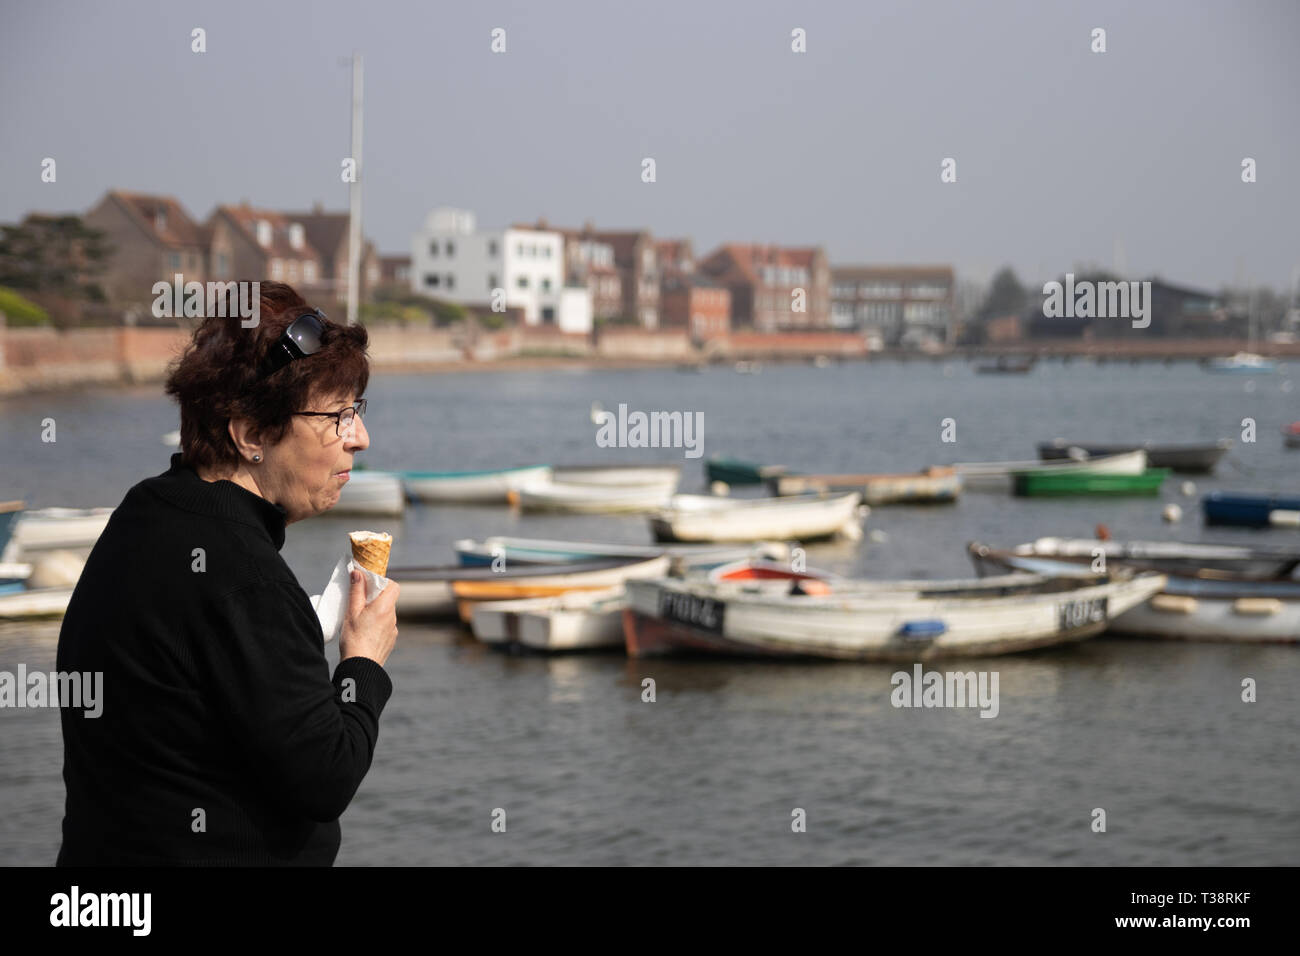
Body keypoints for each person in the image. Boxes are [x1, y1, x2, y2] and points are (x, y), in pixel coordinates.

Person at [54, 281, 400, 865]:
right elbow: (325, 778)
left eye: (356, 412)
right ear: (249, 435)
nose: (360, 439)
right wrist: (362, 663)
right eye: (337, 416)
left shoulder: (147, 510)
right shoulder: (246, 580)